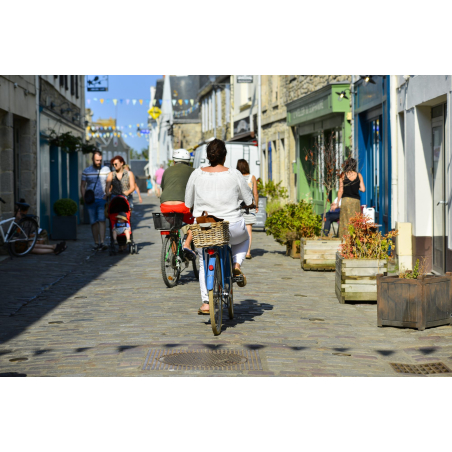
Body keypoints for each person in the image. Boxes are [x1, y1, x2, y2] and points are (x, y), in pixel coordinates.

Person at [185, 139, 255, 315]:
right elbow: (248, 200)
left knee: (202, 260)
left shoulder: (196, 174)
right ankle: (236, 263)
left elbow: (188, 202)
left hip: (205, 228)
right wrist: (248, 204)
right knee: (244, 238)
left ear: (208, 156)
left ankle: (206, 303)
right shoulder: (234, 174)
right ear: (225, 156)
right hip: (230, 226)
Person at [160, 149, 195, 259]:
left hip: (165, 205)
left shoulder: (167, 171)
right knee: (195, 224)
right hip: (182, 205)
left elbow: (163, 187)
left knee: (172, 228)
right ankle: (187, 244)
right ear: (189, 161)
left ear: (174, 161)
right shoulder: (193, 171)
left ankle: (176, 257)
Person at [80, 151, 111, 251]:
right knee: (93, 221)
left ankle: (102, 242)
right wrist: (84, 197)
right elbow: (82, 186)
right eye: (97, 160)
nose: (99, 162)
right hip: (91, 200)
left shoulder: (106, 170)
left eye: (100, 160)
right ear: (93, 159)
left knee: (102, 220)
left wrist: (106, 196)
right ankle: (96, 242)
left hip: (102, 199)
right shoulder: (86, 171)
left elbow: (109, 184)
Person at [337, 157, 365, 239]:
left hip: (346, 201)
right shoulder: (359, 175)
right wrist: (356, 187)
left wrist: (338, 201)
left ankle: (345, 239)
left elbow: (340, 190)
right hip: (355, 201)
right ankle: (354, 239)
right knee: (355, 221)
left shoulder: (342, 175)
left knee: (345, 220)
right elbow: (363, 189)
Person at [236, 159, 259, 259]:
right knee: (248, 229)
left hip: (237, 206)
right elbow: (255, 193)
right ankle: (248, 252)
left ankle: (237, 250)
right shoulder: (252, 177)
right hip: (249, 207)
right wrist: (256, 205)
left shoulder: (236, 177)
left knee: (237, 229)